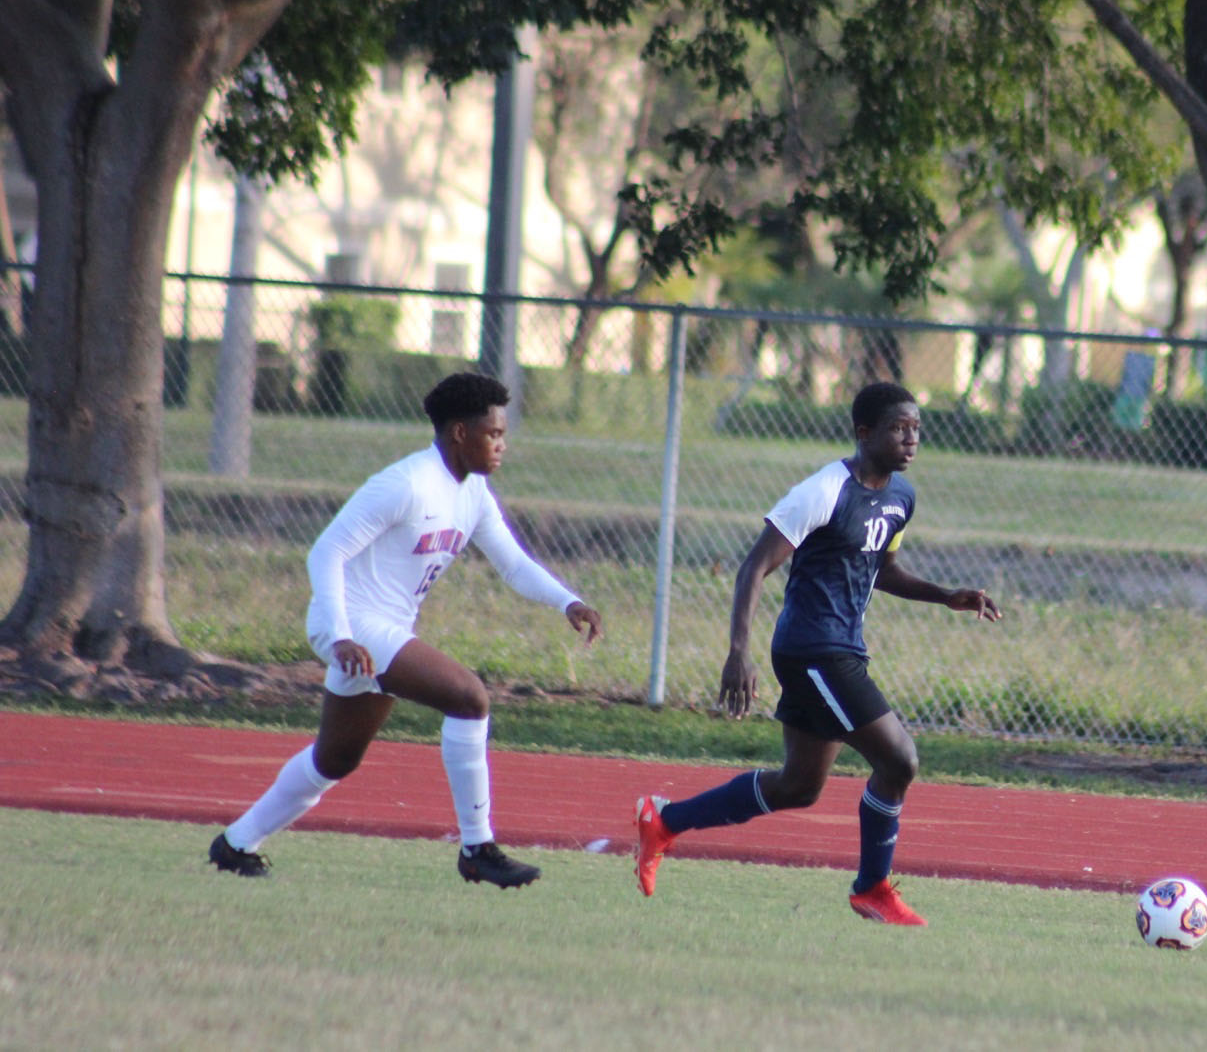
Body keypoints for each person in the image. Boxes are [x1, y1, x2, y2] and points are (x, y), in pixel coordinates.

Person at [208, 372, 603, 888]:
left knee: (335, 760)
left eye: (504, 434)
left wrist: (567, 600)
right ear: (459, 432)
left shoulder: (474, 493)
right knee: (469, 698)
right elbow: (326, 551)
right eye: (493, 434)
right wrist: (339, 634)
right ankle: (477, 848)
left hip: (382, 630)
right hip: (354, 624)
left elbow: (512, 564)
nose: (502, 445)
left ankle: (236, 843)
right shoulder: (406, 483)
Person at [633, 381, 1001, 925]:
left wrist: (946, 595)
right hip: (813, 650)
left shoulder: (902, 497)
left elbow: (884, 569)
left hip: (838, 649)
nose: (911, 438)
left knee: (798, 787)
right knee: (899, 759)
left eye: (916, 428)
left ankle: (661, 822)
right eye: (899, 427)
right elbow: (754, 566)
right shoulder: (824, 490)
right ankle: (872, 888)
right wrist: (739, 650)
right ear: (864, 432)